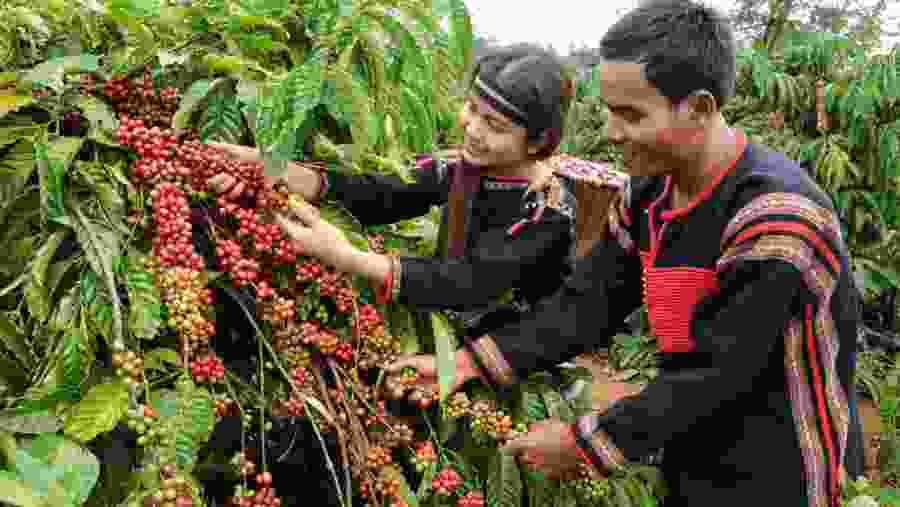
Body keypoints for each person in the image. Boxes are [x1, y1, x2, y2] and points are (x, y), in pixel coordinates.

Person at [374, 2, 866, 506]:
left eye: (630, 114)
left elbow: (717, 375)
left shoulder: (775, 220)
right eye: (609, 109)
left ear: (698, 108)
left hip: (784, 474)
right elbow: (585, 306)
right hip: (692, 454)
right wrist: (465, 363)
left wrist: (582, 444)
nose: (610, 132)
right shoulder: (647, 196)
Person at [201, 43, 626, 502]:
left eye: (494, 125)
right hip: (442, 338)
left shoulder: (546, 213)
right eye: (472, 110)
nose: (473, 129)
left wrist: (348, 257)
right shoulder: (458, 168)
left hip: (505, 362)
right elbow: (383, 192)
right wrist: (274, 172)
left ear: (538, 142)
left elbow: (468, 282)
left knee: (429, 468)